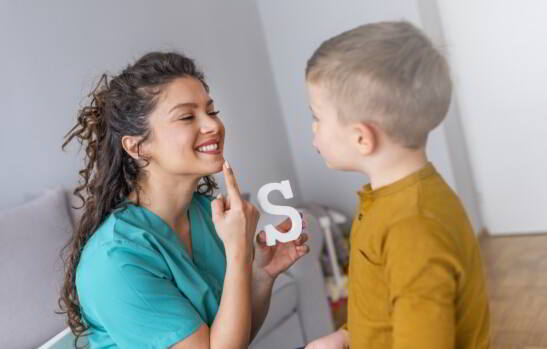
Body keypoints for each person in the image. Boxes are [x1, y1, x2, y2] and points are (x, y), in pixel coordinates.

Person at [58, 51, 310, 349]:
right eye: (188, 116)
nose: (213, 126)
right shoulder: (116, 261)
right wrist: (238, 253)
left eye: (212, 111)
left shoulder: (205, 213)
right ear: (137, 146)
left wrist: (261, 274)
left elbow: (230, 337)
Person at [303, 21, 491, 348]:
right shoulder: (396, 201)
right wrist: (347, 336)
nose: (314, 130)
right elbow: (386, 302)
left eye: (317, 117)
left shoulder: (412, 227)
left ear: (362, 137)